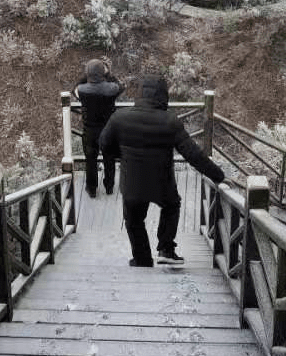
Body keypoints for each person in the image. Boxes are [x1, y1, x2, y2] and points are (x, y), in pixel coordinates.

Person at [99, 75, 225, 268]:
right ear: (163, 96)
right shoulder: (170, 121)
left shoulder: (120, 117)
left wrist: (123, 155)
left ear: (139, 93)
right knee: (171, 206)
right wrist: (218, 176)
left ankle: (142, 259)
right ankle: (166, 249)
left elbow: (104, 144)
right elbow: (193, 154)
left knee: (133, 220)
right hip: (161, 181)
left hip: (132, 182)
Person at [73, 59, 122, 197]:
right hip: (108, 129)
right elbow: (120, 86)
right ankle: (109, 186)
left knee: (91, 160)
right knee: (109, 158)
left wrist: (85, 77)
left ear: (88, 73)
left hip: (90, 130)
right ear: (102, 72)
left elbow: (75, 88)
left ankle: (92, 188)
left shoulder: (82, 90)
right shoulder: (111, 89)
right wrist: (108, 74)